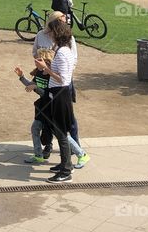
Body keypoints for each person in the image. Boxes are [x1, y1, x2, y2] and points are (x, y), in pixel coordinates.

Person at [34, 19, 88, 183]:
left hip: (61, 95)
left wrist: (46, 68)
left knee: (61, 133)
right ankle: (65, 164)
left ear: (57, 33)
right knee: (59, 131)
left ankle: (66, 170)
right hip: (57, 94)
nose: (48, 34)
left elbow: (63, 79)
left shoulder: (63, 52)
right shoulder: (62, 50)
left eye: (50, 32)